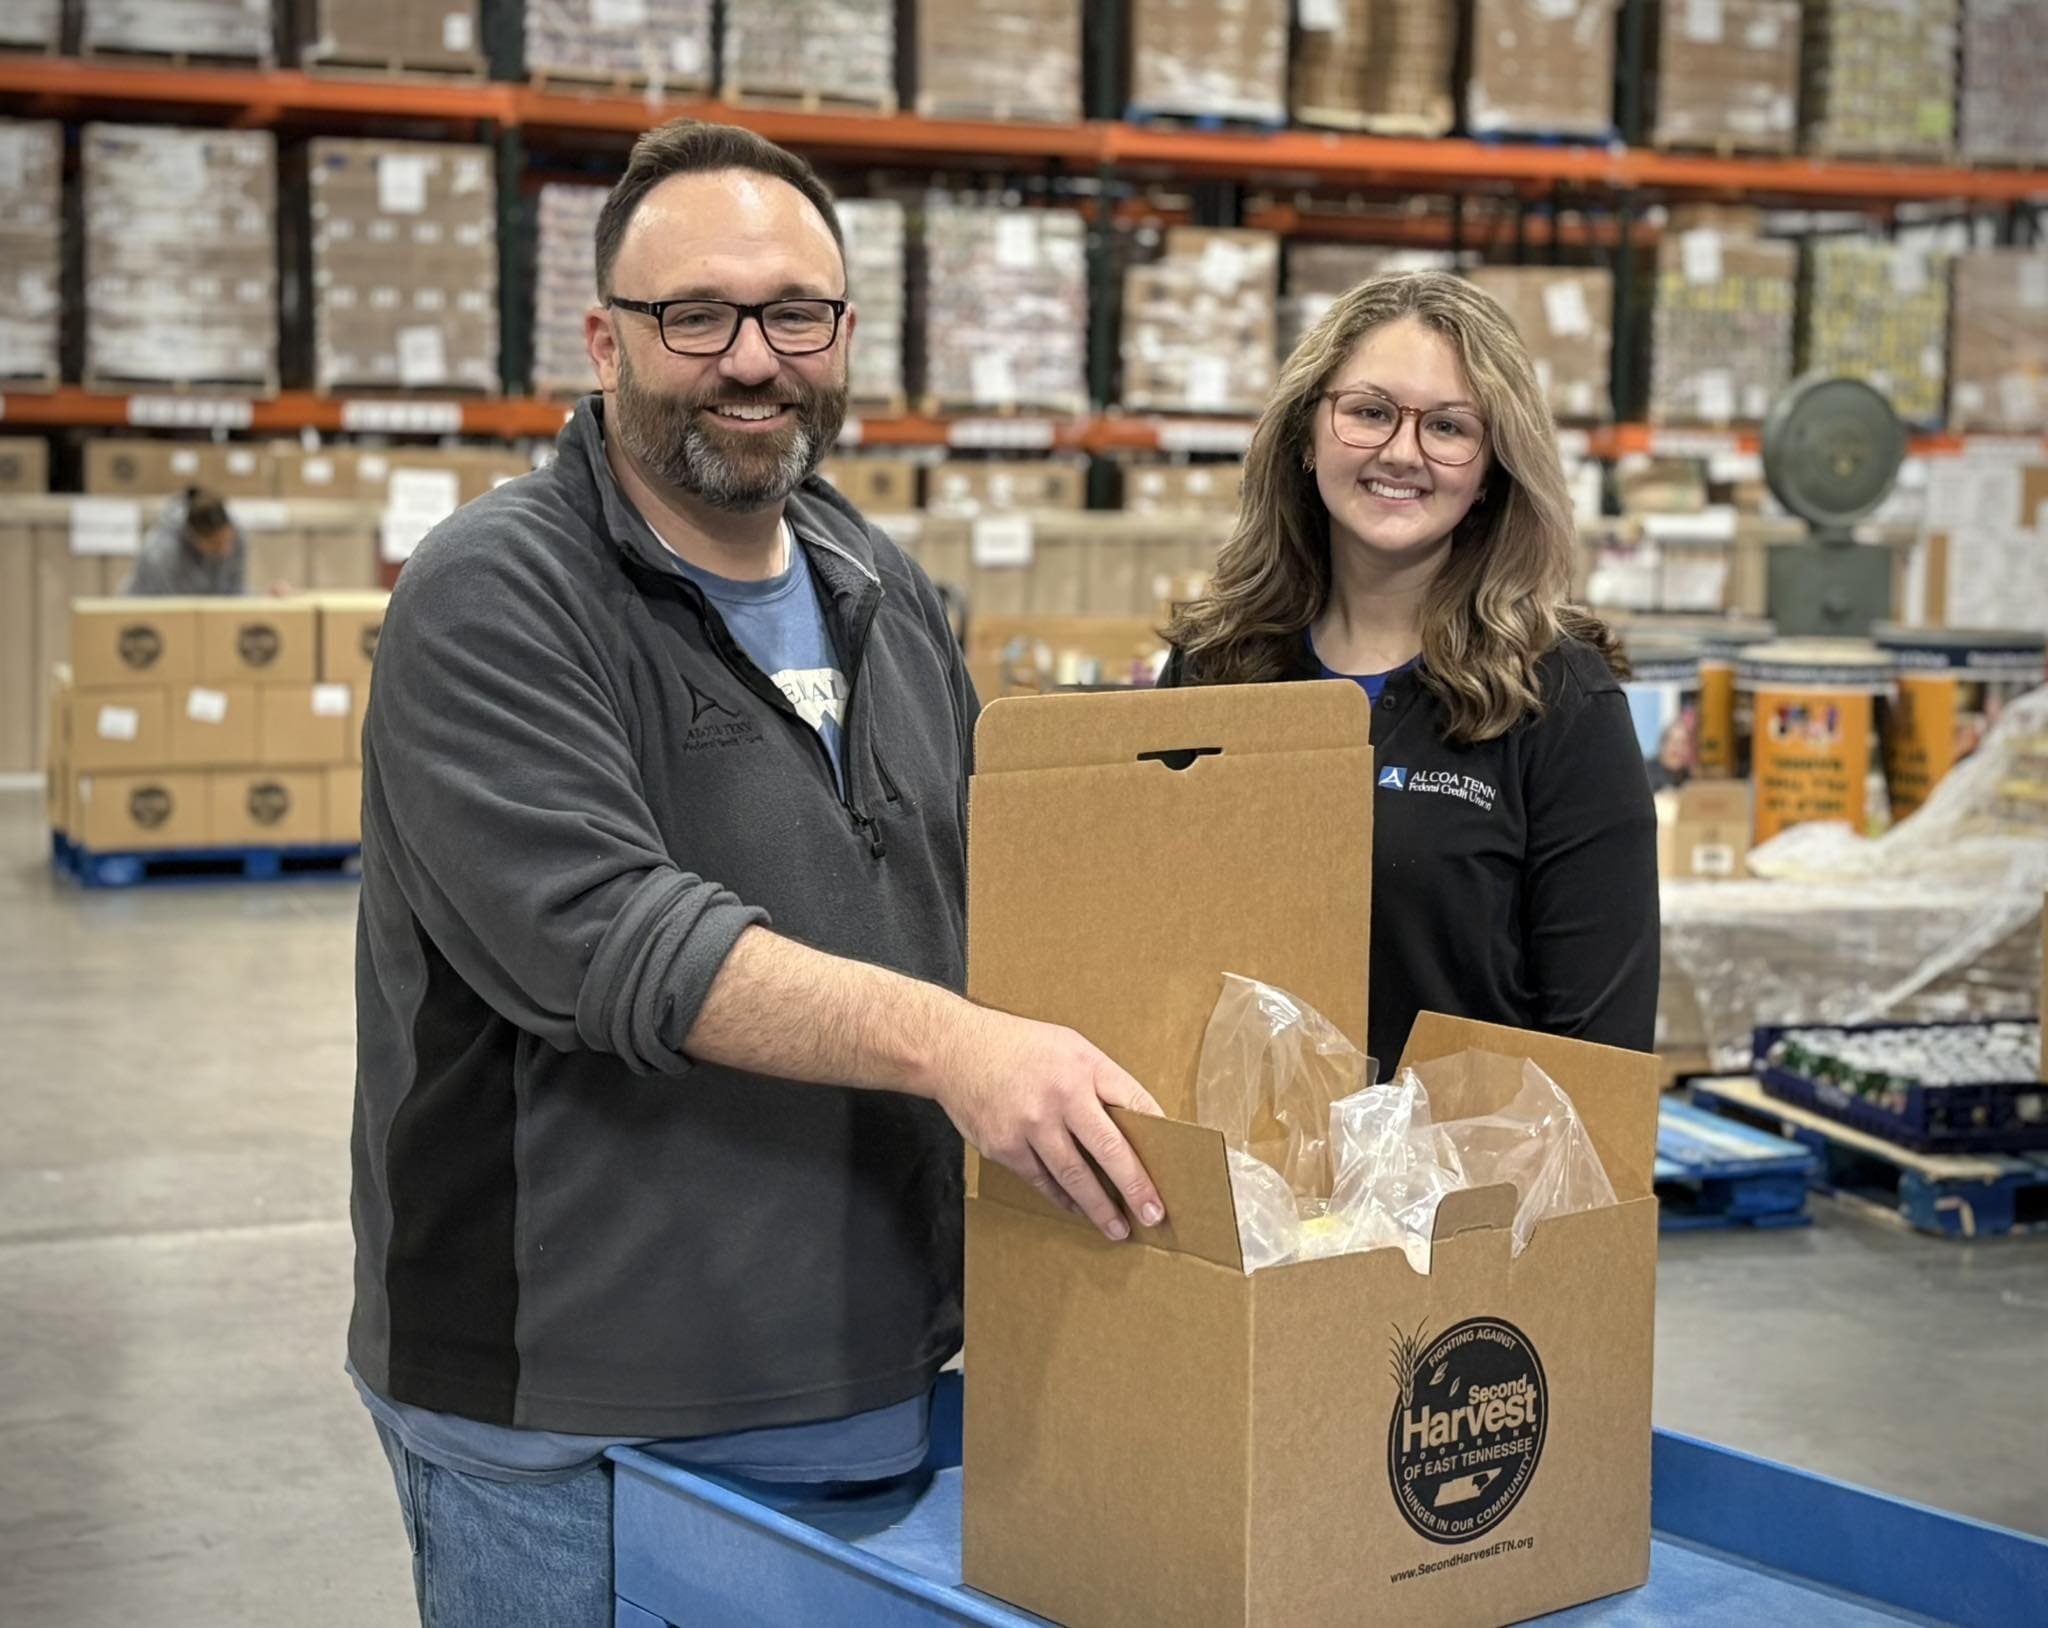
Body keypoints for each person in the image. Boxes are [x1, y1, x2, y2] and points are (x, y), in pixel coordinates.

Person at [347, 119, 1164, 1628]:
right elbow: (610, 940)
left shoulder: (878, 584)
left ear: (845, 334)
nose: (751, 359)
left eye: (796, 314)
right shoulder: (495, 593)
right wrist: (956, 1044)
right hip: (574, 1425)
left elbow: (986, 883)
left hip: (869, 1385)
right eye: (696, 317)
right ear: (603, 339)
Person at [1159, 271, 1658, 1069]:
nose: (1402, 452)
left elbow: (1602, 1061)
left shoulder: (1559, 701)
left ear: (1493, 465)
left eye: (1450, 428)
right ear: (1304, 431)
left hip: (1463, 1187)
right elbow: (1154, 955)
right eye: (1370, 412)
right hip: (1237, 1177)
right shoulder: (1216, 668)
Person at [121, 485, 245, 595]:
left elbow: (235, 589)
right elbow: (169, 607)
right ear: (194, 537)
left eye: (228, 540)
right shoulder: (162, 552)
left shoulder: (237, 535)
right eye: (216, 544)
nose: (225, 549)